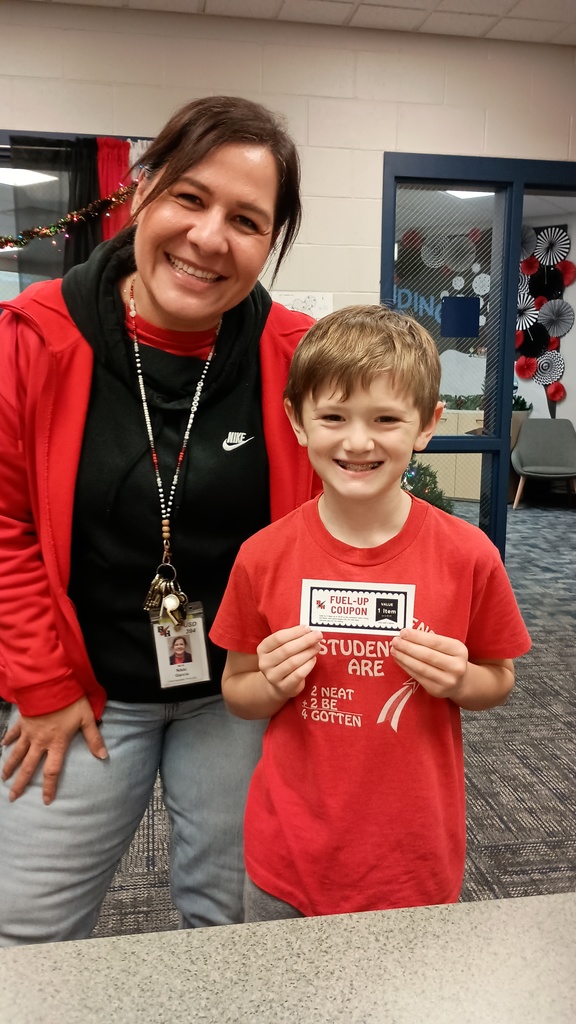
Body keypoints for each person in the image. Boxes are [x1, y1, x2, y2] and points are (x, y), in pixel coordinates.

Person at [0, 95, 320, 946]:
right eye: (190, 197)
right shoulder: (32, 338)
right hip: (82, 690)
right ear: (141, 191)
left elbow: (351, 508)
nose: (210, 237)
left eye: (246, 220)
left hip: (237, 693)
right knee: (27, 933)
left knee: (237, 924)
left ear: (270, 242)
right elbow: (3, 526)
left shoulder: (297, 358)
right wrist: (41, 684)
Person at [210, 305, 532, 921]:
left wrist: (461, 679)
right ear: (297, 421)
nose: (358, 442)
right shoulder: (263, 557)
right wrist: (271, 684)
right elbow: (237, 692)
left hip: (411, 860)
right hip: (289, 858)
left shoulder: (468, 556)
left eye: (386, 419)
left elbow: (499, 680)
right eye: (333, 417)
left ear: (427, 424)